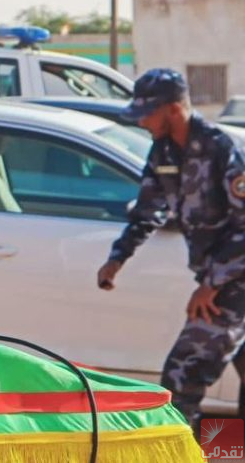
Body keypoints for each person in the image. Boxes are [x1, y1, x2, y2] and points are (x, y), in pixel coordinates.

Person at [96, 67, 245, 433]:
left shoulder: (221, 149)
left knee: (182, 378)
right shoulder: (163, 150)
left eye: (148, 113)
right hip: (219, 279)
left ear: (173, 109)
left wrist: (212, 283)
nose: (142, 122)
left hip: (233, 282)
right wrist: (118, 258)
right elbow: (149, 208)